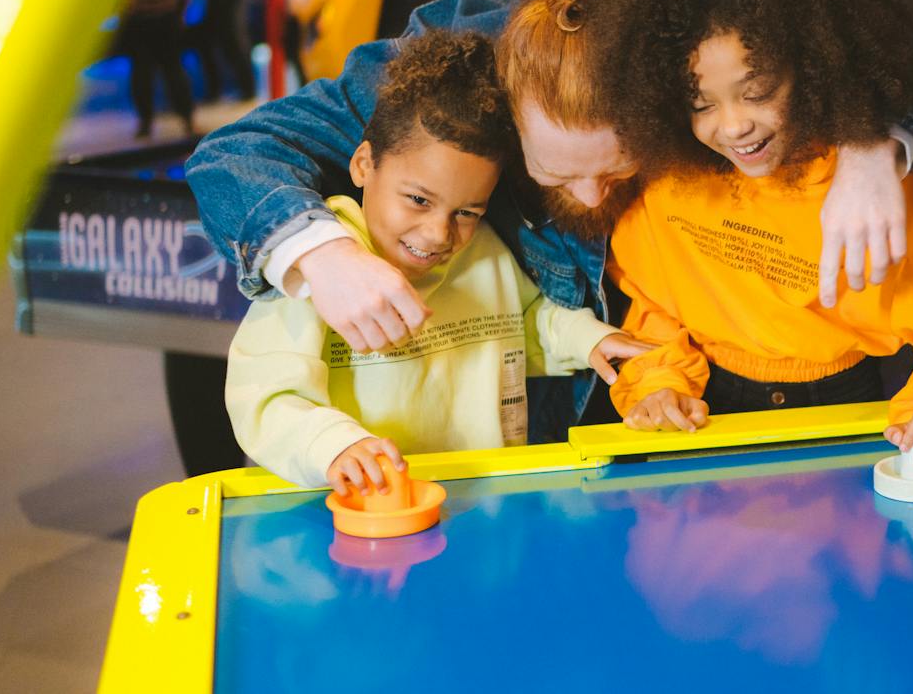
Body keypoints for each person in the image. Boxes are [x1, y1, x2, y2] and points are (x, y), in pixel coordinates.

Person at [186, 0, 913, 443]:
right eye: (554, 171)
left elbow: (869, 36)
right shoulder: (455, 70)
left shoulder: (687, 48)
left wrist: (871, 138)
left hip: (696, 394)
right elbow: (239, 152)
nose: (591, 191)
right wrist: (323, 255)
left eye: (619, 168)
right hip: (533, 424)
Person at [589, 0, 913, 477]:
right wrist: (658, 385)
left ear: (815, 64)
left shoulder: (884, 176)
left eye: (758, 89)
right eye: (700, 103)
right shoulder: (669, 180)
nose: (734, 124)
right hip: (702, 429)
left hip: (849, 415)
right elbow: (654, 312)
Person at [224, 29, 648, 490]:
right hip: (363, 513)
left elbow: (523, 323)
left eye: (466, 211)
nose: (439, 234)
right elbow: (263, 397)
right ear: (363, 165)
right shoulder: (314, 269)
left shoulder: (484, 249)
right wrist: (334, 446)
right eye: (418, 200)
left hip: (487, 503)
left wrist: (587, 339)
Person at [123, 0, 197, 140]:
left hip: (137, 14)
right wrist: (182, 8)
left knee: (141, 70)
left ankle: (145, 123)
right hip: (166, 13)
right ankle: (187, 120)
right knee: (173, 68)